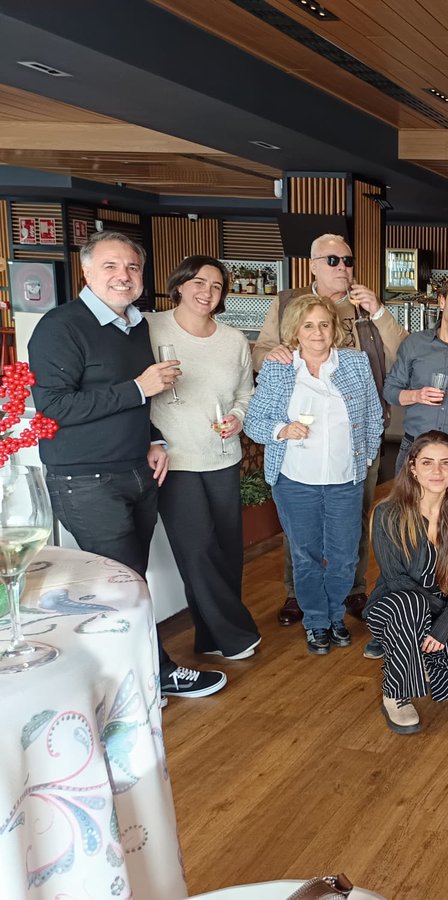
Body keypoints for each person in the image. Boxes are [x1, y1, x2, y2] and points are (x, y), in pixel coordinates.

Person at [28, 232, 226, 700]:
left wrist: (154, 438)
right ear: (87, 272)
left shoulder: (135, 326)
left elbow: (135, 403)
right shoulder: (62, 326)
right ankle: (151, 677)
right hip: (85, 479)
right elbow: (53, 408)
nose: (124, 276)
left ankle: (127, 676)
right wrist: (138, 388)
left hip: (135, 469)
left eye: (132, 268)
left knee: (129, 580)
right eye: (112, 267)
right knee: (123, 584)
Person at [254, 233, 406, 626]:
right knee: (299, 527)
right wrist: (274, 352)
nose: (344, 267)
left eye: (348, 260)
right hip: (300, 443)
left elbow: (403, 354)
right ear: (313, 266)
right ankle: (296, 593)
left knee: (352, 519)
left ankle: (352, 589)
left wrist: (379, 311)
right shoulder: (287, 302)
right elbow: (260, 351)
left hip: (356, 437)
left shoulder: (363, 308)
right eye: (333, 260)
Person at [244, 294, 384, 656]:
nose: (317, 332)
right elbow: (254, 421)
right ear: (295, 330)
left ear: (334, 328)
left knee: (344, 556)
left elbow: (372, 416)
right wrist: (282, 430)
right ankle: (315, 622)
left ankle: (336, 615)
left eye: (324, 324)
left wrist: (365, 458)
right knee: (305, 555)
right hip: (295, 481)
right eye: (308, 325)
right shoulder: (280, 368)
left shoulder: (355, 363)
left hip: (345, 481)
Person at [148, 255, 259, 660]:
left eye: (216, 286)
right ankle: (236, 634)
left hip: (222, 455)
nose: (206, 292)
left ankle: (209, 636)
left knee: (228, 550)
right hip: (174, 459)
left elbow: (246, 393)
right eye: (198, 282)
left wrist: (238, 418)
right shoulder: (149, 327)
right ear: (179, 284)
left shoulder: (232, 340)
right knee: (197, 549)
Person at [364, 431, 448, 734]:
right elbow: (396, 580)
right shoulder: (387, 513)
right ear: (412, 467)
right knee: (411, 603)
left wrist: (445, 621)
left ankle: (410, 660)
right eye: (428, 462)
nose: (437, 471)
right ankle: (396, 693)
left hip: (442, 606)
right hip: (394, 605)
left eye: (445, 463)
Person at [383, 276, 448, 463]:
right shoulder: (414, 343)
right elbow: (390, 391)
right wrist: (417, 396)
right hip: (415, 446)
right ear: (442, 301)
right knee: (409, 494)